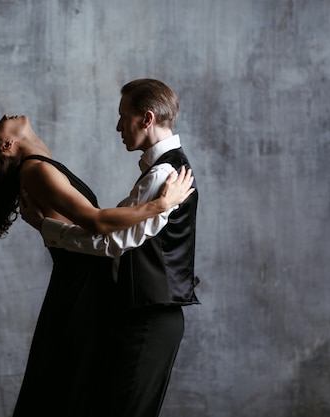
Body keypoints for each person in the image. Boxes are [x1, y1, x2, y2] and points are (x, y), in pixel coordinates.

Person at [0, 113, 195, 417]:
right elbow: (97, 221)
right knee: (69, 396)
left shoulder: (39, 166)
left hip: (84, 287)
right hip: (81, 292)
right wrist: (160, 205)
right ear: (8, 144)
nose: (3, 117)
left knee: (73, 395)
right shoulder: (36, 171)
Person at [20, 79, 199, 417]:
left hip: (149, 317)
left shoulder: (164, 175)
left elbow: (111, 242)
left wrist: (46, 227)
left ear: (146, 119)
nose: (118, 126)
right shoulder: (163, 170)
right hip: (143, 313)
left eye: (123, 117)